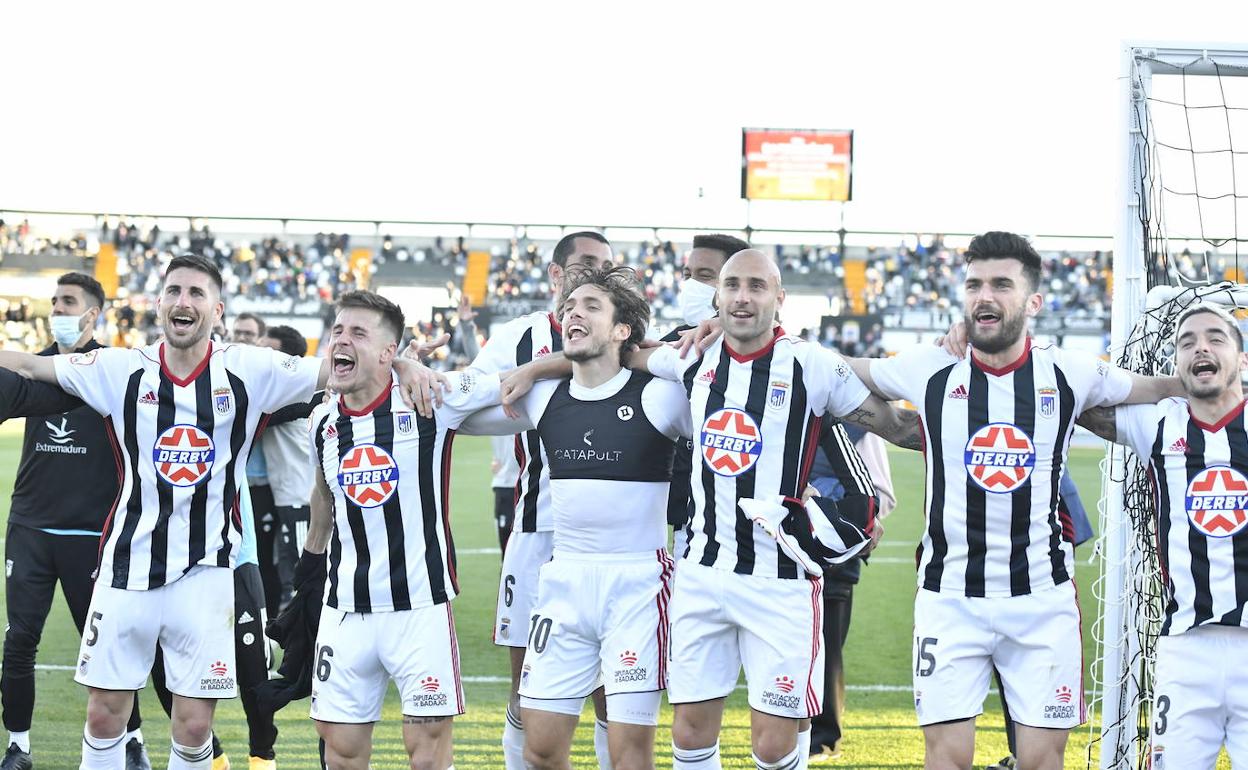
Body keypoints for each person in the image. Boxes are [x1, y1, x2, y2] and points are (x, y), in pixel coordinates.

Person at [0, 254, 441, 770]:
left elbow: (342, 369)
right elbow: (31, 365)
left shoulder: (250, 369)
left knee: (193, 725)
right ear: (159, 303)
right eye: (174, 291)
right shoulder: (118, 368)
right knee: (103, 714)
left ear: (217, 310)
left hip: (207, 575)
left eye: (196, 293)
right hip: (126, 570)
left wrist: (404, 362)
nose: (183, 301)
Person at [847, 231, 1179, 770]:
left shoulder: (1071, 371)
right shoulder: (927, 367)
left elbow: (1155, 389)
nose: (985, 296)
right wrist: (745, 336)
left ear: (1033, 302)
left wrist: (1224, 379)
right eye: (975, 284)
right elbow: (841, 373)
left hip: (1041, 601)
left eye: (1002, 284)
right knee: (947, 758)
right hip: (949, 597)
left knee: (1042, 762)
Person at [606, 249, 922, 770]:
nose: (743, 296)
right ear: (717, 297)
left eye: (757, 286)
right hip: (703, 572)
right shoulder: (693, 358)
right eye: (732, 285)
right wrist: (533, 370)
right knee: (687, 734)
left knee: (774, 745)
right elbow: (627, 353)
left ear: (780, 298)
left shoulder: (813, 365)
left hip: (780, 582)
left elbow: (895, 426)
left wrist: (973, 431)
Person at [462, 265, 691, 770]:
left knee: (630, 754)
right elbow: (461, 408)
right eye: (569, 308)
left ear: (622, 330)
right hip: (562, 582)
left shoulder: (659, 395)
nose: (574, 314)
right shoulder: (543, 398)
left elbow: (720, 397)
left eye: (591, 307)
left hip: (638, 585)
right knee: (542, 750)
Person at [303, 290, 505, 770]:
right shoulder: (321, 421)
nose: (342, 341)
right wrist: (308, 574)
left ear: (389, 351)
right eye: (337, 331)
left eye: (358, 333)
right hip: (345, 608)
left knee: (428, 754)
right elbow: (323, 497)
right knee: (341, 751)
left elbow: (512, 381)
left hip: (419, 607)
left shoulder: (429, 395)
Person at [464, 231, 615, 770]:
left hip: (612, 543)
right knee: (526, 685)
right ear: (556, 276)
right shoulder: (517, 336)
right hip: (534, 530)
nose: (597, 273)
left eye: (607, 266)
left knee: (611, 691)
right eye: (585, 265)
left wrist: (535, 371)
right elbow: (467, 395)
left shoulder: (629, 334)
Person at [1077, 303, 1248, 767]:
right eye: (1187, 343)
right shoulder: (1159, 421)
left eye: (1216, 338)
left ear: (1243, 358)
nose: (1201, 348)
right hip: (1185, 648)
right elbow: (1077, 397)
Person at [0, 274, 150, 770]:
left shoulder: (113, 371)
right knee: (20, 639)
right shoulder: (28, 368)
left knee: (109, 650)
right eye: (55, 300)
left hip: (94, 534)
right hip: (31, 529)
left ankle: (133, 744)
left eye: (68, 302)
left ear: (93, 314)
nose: (57, 308)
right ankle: (18, 746)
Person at [807, 423, 895, 763]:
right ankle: (790, 725)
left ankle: (824, 737)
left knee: (827, 644)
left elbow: (882, 495)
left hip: (835, 560)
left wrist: (828, 513)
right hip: (781, 553)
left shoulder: (860, 427)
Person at [662, 234, 751, 560]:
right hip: (688, 524)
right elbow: (611, 357)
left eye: (703, 276)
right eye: (687, 275)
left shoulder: (785, 353)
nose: (690, 286)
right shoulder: (670, 345)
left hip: (756, 527)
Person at [258, 325, 316, 612]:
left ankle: (309, 644)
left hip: (300, 498)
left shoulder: (290, 395)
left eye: (269, 351)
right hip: (288, 497)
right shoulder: (288, 393)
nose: (260, 356)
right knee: (287, 572)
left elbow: (256, 413)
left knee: (302, 573)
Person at [232, 314, 281, 615]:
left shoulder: (268, 377)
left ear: (261, 338)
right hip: (233, 488)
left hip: (265, 487)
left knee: (263, 559)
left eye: (249, 333)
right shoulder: (222, 375)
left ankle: (266, 622)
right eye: (238, 332)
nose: (242, 337)